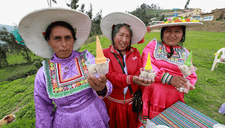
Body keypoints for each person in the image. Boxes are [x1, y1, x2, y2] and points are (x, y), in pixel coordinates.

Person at [18, 7, 112, 128]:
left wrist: (101, 88)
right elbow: (43, 111)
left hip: (94, 117)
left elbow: (105, 84)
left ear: (74, 40)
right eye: (57, 38)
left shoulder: (87, 58)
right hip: (66, 123)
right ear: (49, 41)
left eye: (68, 37)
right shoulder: (43, 74)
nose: (64, 44)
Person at [138, 18, 203, 127]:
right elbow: (147, 66)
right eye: (168, 31)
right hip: (154, 97)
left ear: (183, 34)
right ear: (162, 33)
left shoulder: (185, 53)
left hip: (174, 100)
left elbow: (191, 74)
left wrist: (188, 83)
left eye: (177, 31)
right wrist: (169, 79)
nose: (172, 35)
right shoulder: (153, 46)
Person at [100, 12, 154, 128]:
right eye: (121, 35)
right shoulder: (105, 54)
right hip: (113, 104)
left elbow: (139, 71)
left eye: (128, 36)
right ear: (113, 36)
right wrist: (131, 79)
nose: (124, 40)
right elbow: (109, 75)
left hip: (132, 104)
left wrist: (143, 77)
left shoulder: (135, 52)